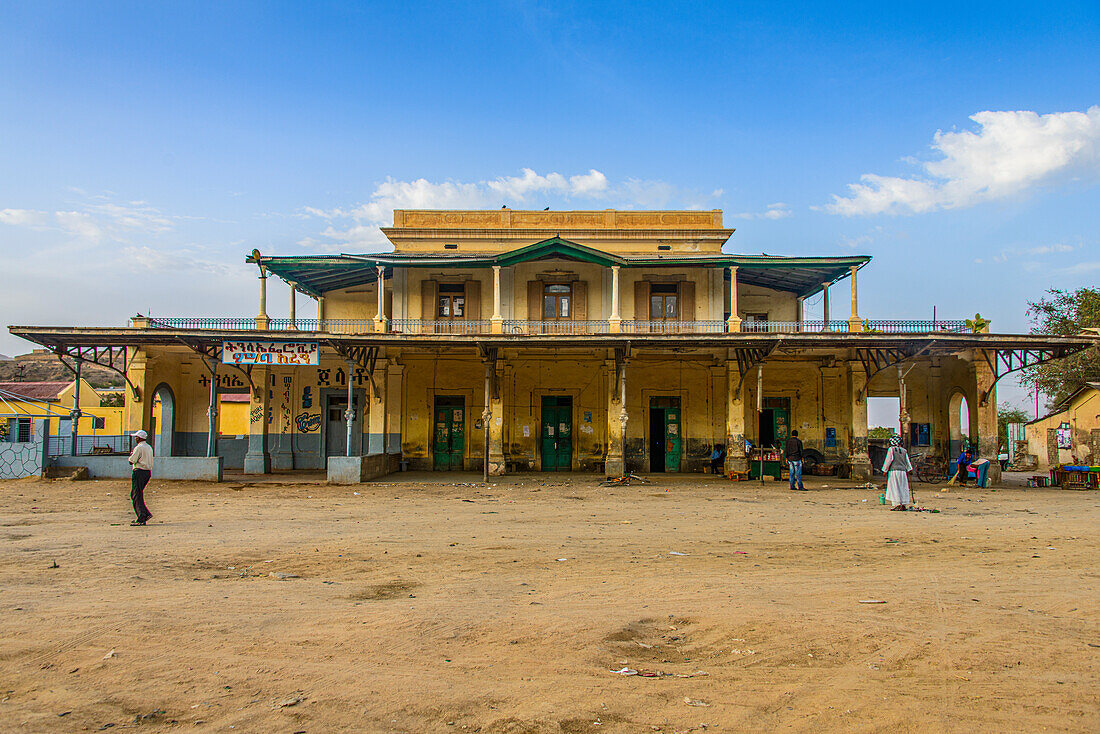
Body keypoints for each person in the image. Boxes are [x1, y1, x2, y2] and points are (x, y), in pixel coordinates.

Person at [128, 430, 154, 526]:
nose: (135, 438)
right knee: (138, 494)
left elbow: (132, 460)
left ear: (139, 438)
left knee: (136, 495)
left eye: (136, 437)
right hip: (147, 472)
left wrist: (131, 456)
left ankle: (142, 517)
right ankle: (145, 513)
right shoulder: (148, 447)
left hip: (139, 472)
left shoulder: (139, 448)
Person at [882, 435, 913, 510]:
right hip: (902, 472)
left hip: (894, 471)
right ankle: (903, 503)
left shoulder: (891, 449)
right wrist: (910, 469)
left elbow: (888, 460)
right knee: (903, 487)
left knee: (895, 487)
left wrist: (885, 470)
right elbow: (907, 462)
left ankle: (897, 504)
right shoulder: (904, 450)